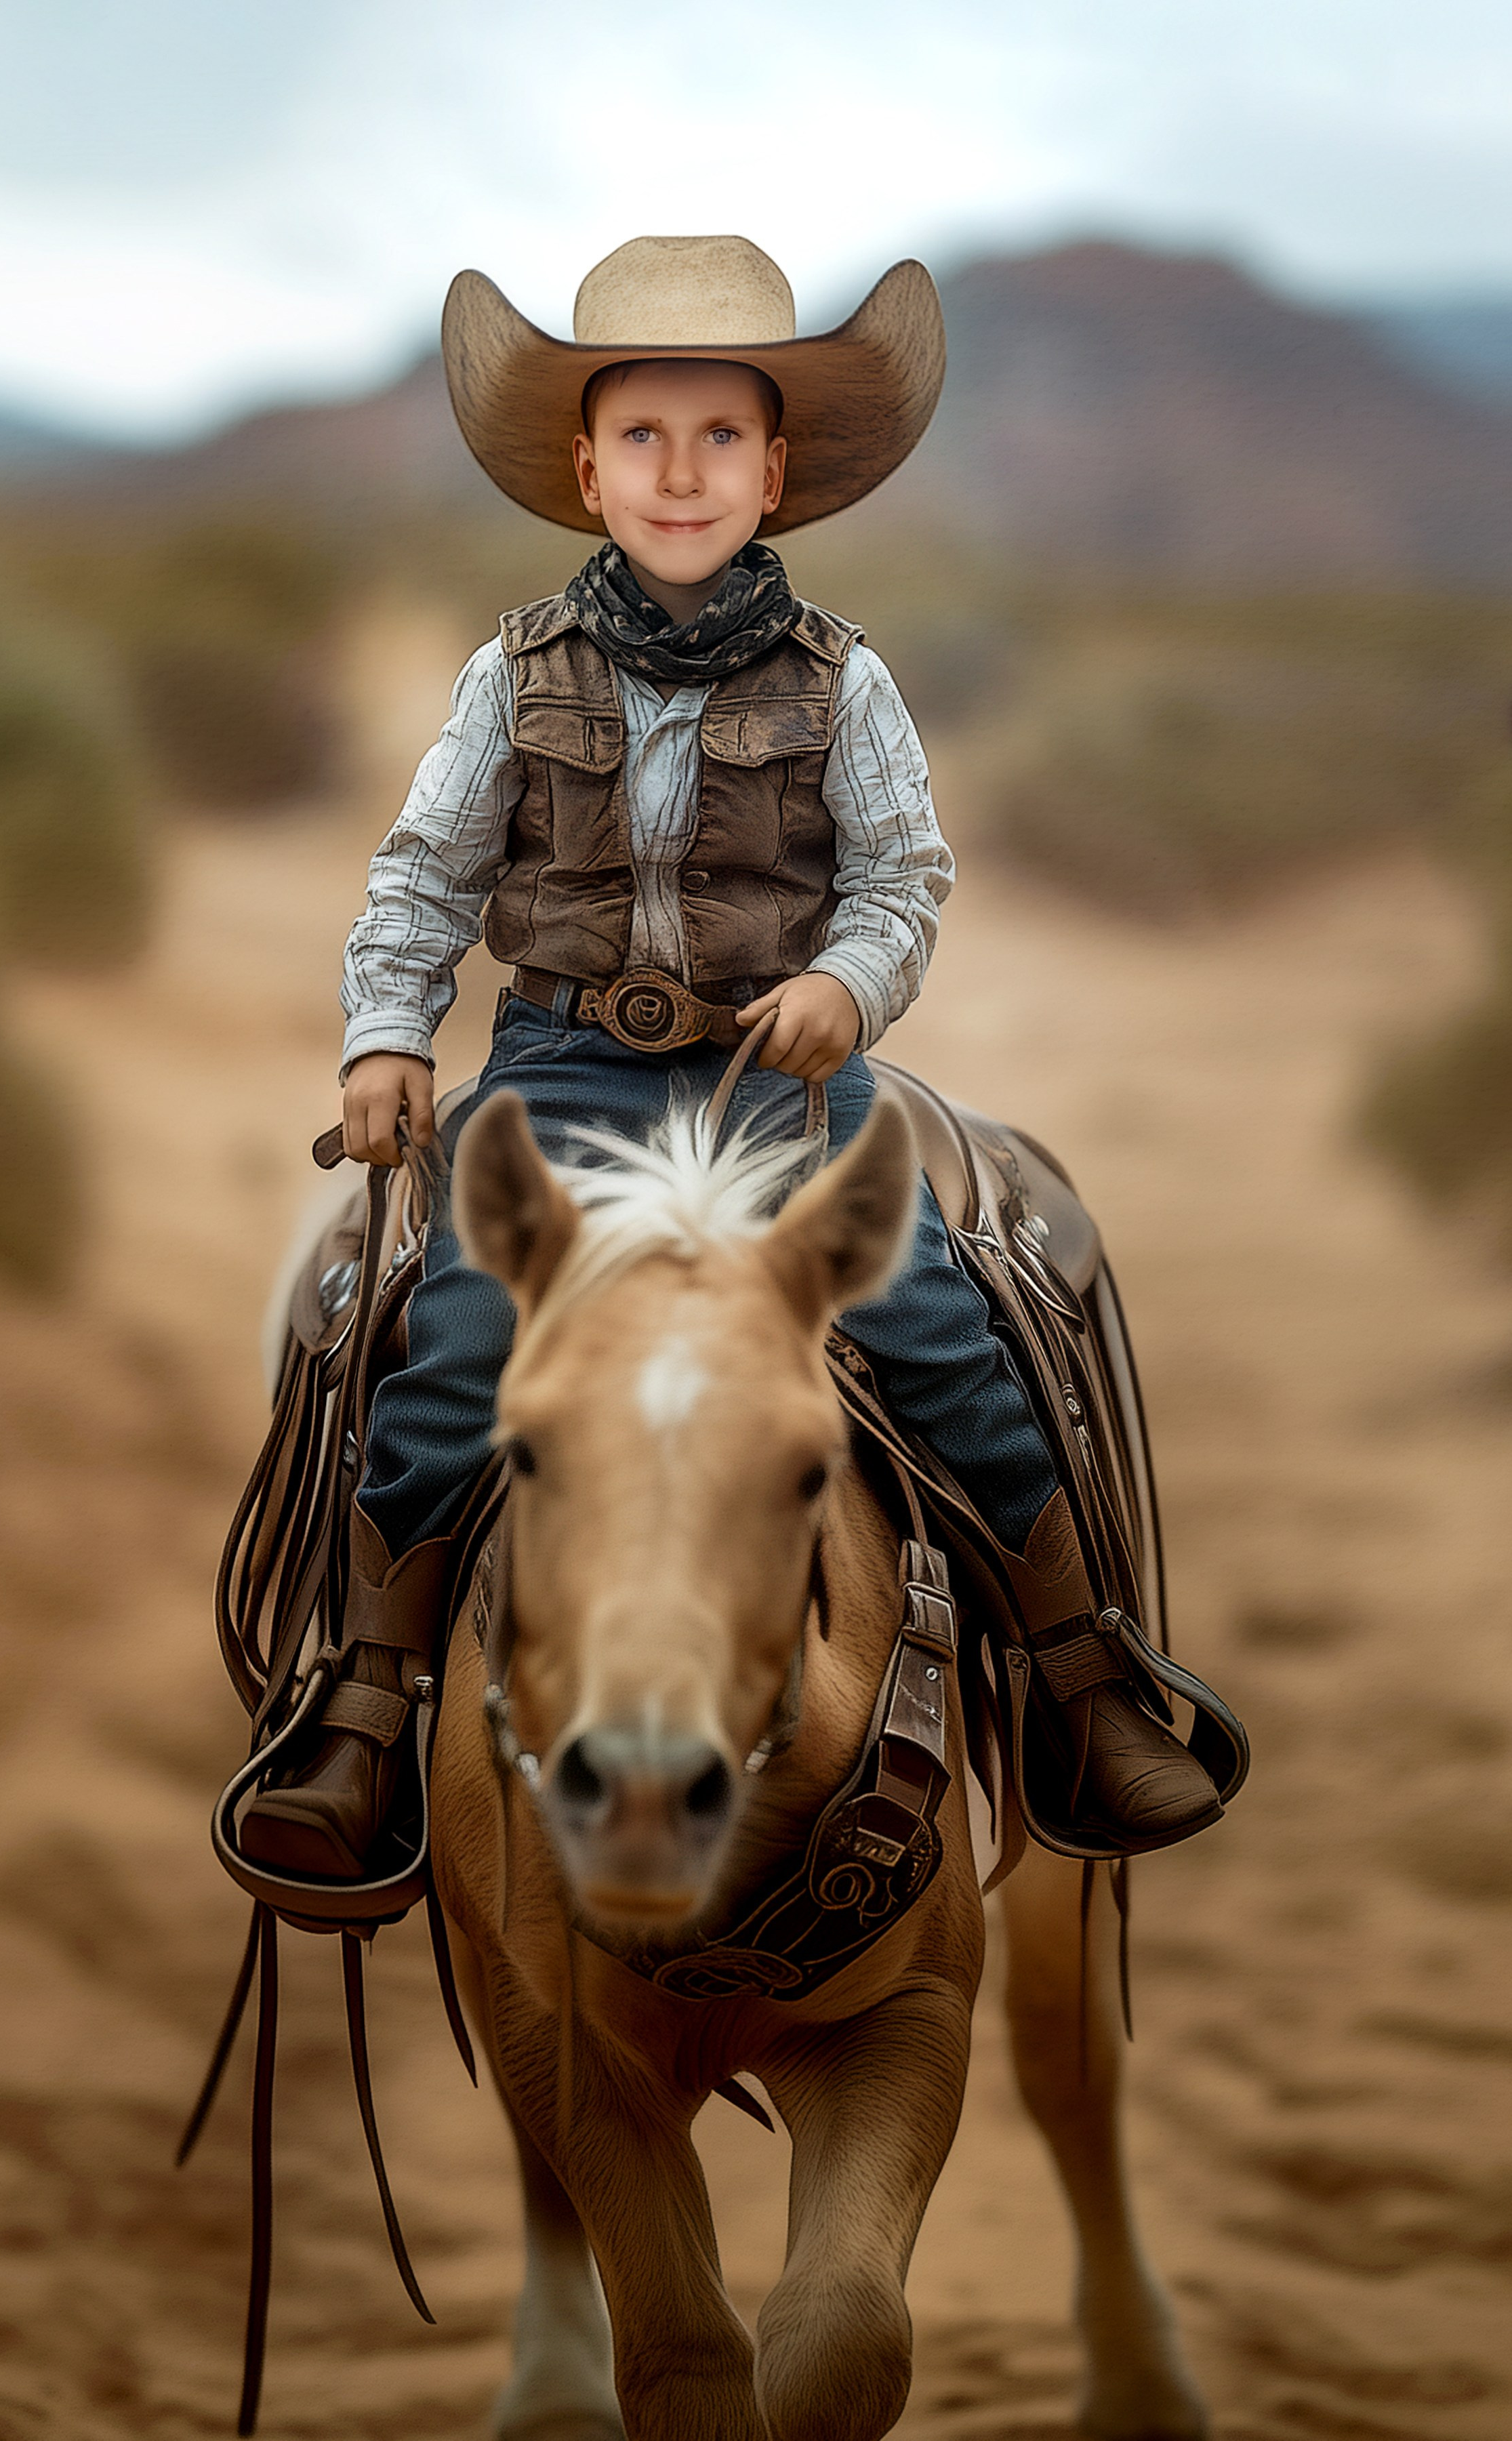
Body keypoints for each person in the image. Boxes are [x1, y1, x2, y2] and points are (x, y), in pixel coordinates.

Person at [242, 235, 1221, 1881]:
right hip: (560, 1075)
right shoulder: (511, 672)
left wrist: (848, 983)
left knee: (931, 1315)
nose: (677, 471)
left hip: (781, 1082)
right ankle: (365, 1703)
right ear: (584, 467)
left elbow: (905, 876)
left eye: (717, 439)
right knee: (454, 1332)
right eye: (641, 435)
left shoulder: (845, 683)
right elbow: (423, 870)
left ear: (776, 470)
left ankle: (1083, 1676)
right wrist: (386, 1035)